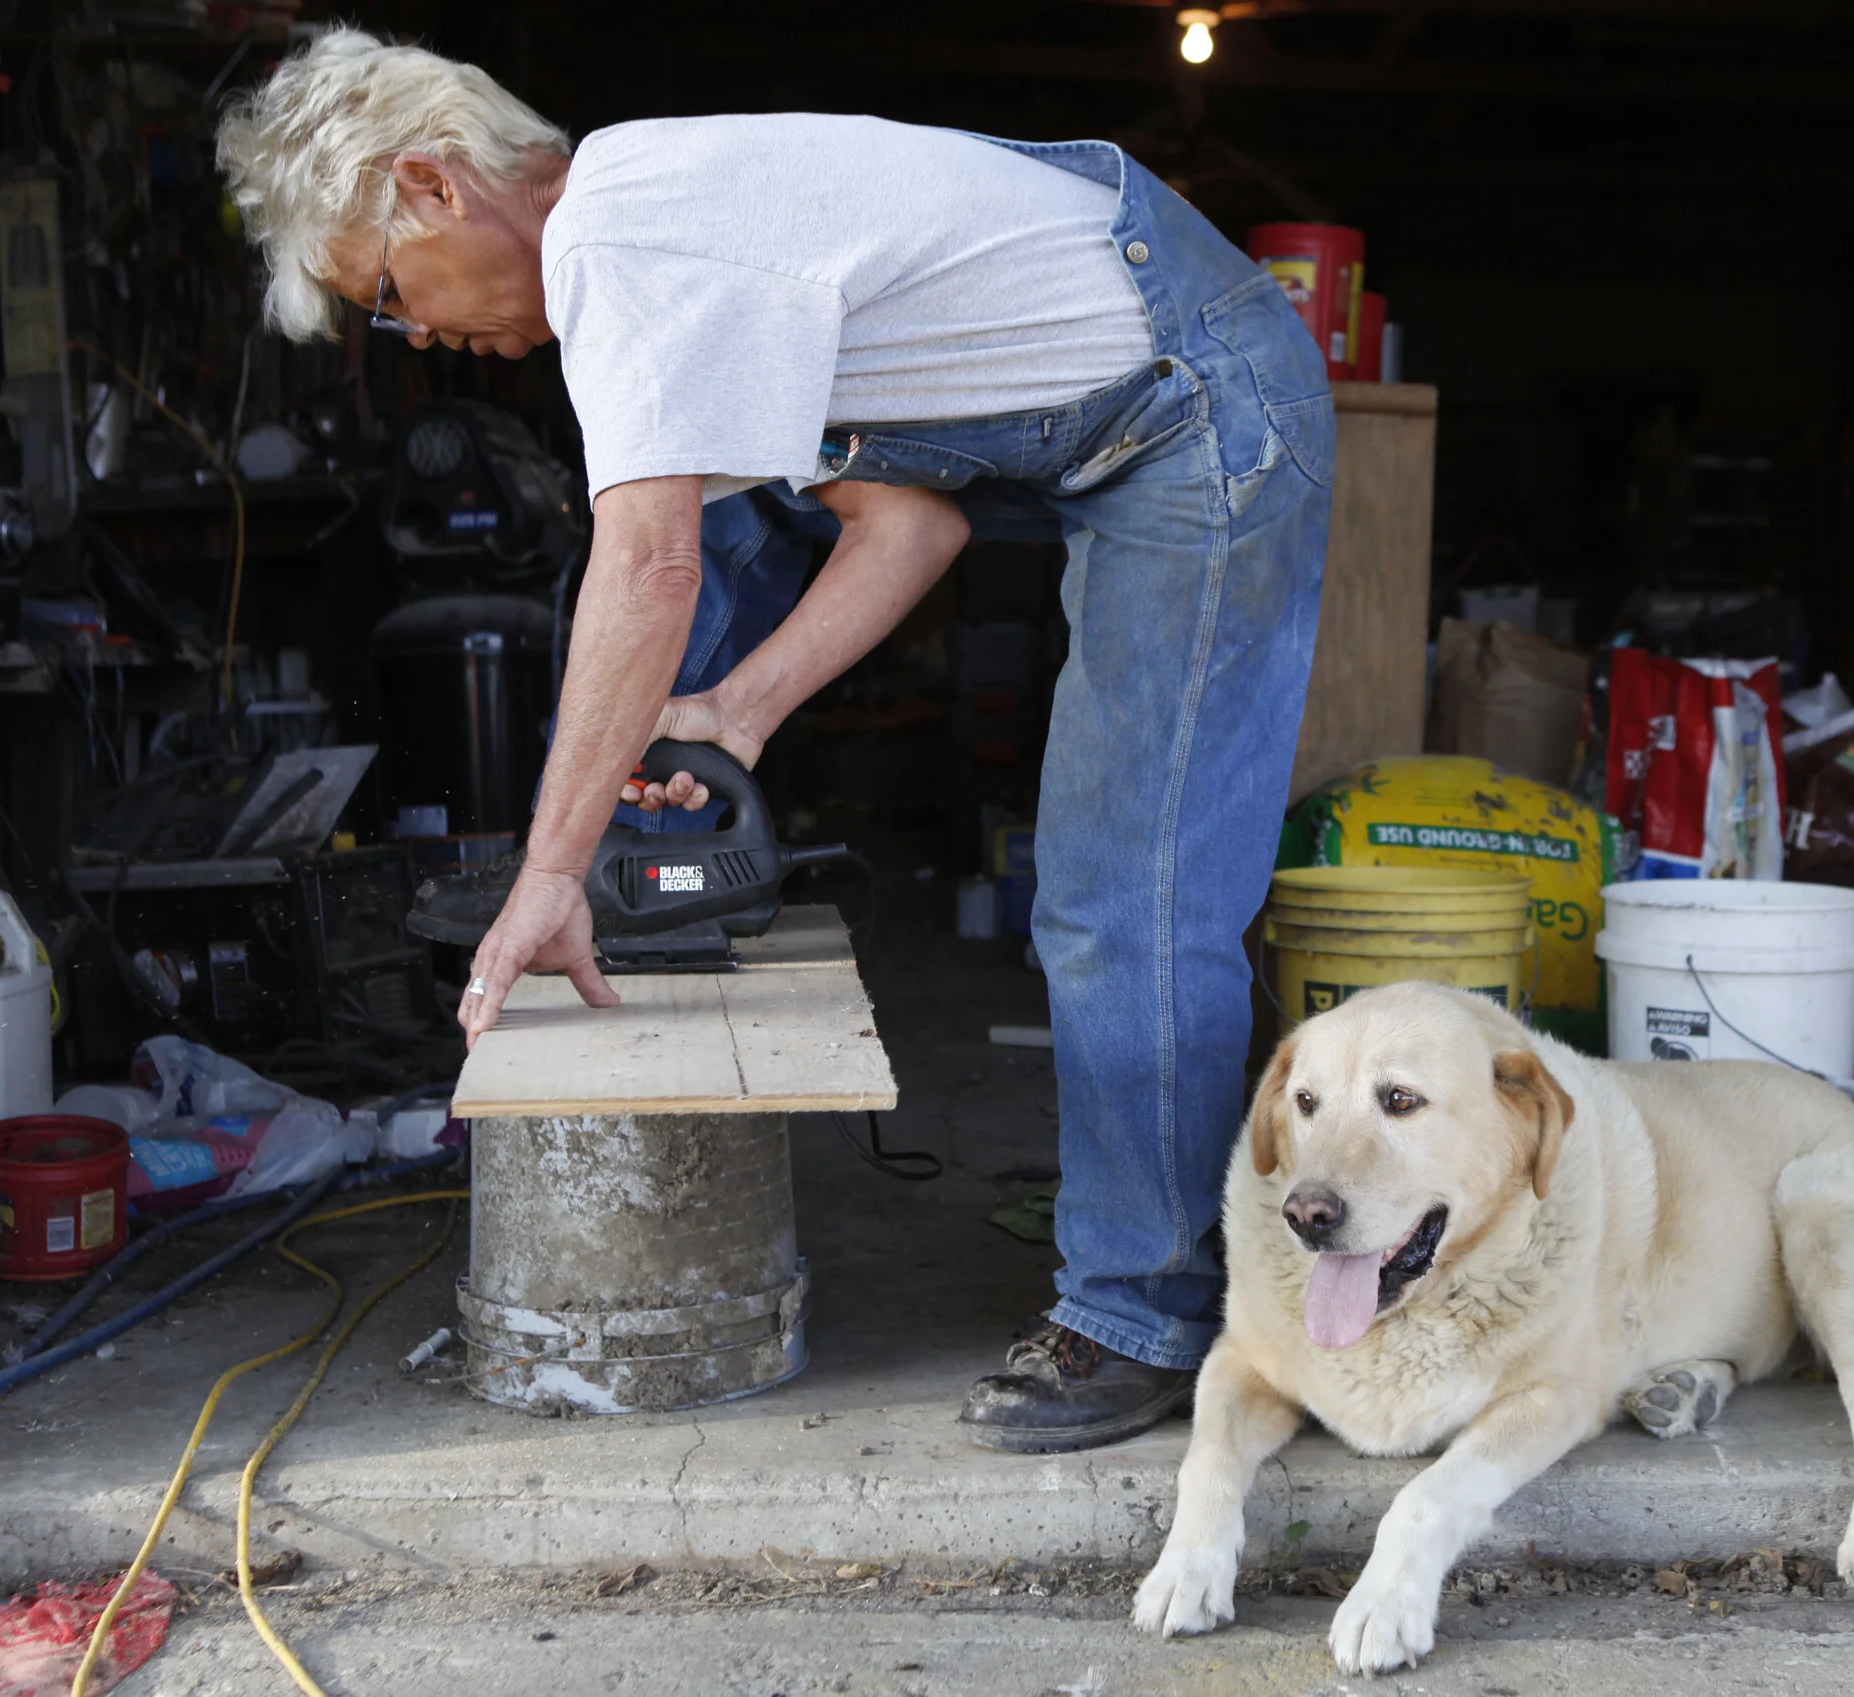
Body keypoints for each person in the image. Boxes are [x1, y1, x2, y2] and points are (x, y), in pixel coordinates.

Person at [217, 28, 1333, 1453]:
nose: (414, 333)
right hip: (1132, 408)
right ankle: (1158, 1276)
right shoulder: (688, 257)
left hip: (1202, 406)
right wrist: (733, 709)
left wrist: (550, 875)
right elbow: (908, 520)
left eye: (382, 296)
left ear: (433, 188)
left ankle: (1142, 1320)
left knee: (1131, 891)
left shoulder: (618, 241)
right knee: (1105, 888)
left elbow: (651, 569)